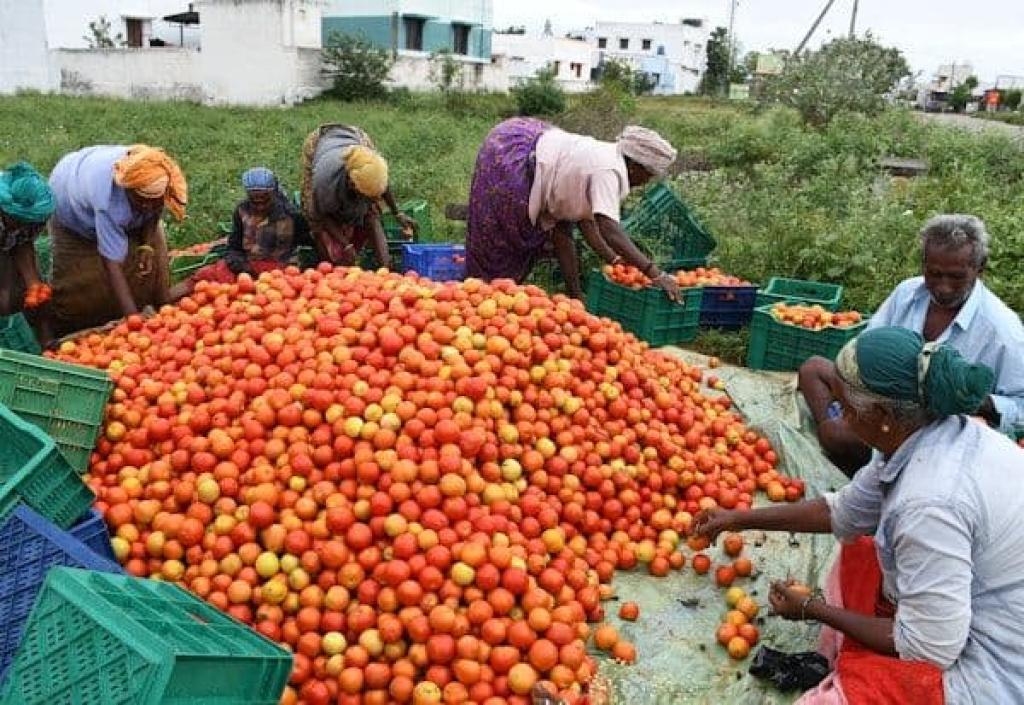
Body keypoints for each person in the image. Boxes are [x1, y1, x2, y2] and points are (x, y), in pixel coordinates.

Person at [696, 326, 1024, 705]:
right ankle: (841, 655)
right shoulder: (924, 434)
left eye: (847, 409)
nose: (841, 420)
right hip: (970, 597)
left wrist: (812, 609)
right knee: (861, 548)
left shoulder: (929, 502)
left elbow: (929, 649)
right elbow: (843, 513)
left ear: (883, 414)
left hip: (998, 665)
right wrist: (736, 519)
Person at [799, 214, 1024, 475]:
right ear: (924, 264)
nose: (944, 287)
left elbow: (1020, 405)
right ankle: (851, 442)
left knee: (836, 434)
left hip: (936, 426)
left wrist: (969, 397)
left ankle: (850, 448)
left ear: (980, 268)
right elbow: (866, 346)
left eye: (956, 277)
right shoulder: (908, 293)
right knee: (813, 368)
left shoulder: (1002, 330)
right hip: (882, 404)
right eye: (934, 273)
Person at [465, 119, 681, 301]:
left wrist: (578, 295)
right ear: (635, 166)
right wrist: (654, 273)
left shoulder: (606, 161)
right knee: (498, 245)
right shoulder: (608, 170)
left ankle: (493, 301)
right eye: (648, 174)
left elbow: (577, 225)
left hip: (527, 142)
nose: (647, 182)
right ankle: (476, 301)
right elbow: (609, 230)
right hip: (510, 157)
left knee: (518, 258)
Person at [47, 144, 186, 337]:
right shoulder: (108, 201)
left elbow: (153, 211)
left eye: (153, 200)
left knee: (154, 261)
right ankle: (62, 332)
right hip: (70, 200)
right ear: (126, 190)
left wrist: (146, 244)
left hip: (92, 170)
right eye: (140, 200)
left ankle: (163, 308)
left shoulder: (155, 175)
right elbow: (111, 263)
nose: (147, 206)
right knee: (80, 291)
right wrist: (133, 322)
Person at [300, 124, 417, 268]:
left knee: (371, 211)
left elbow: (382, 186)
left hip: (354, 137)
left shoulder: (373, 167)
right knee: (314, 218)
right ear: (351, 184)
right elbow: (322, 216)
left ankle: (386, 268)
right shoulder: (324, 181)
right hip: (320, 142)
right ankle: (329, 272)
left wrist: (397, 213)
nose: (371, 199)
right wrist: (346, 244)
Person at [183, 167, 309, 288]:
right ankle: (164, 299)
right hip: (247, 265)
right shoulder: (242, 211)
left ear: (274, 193)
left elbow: (307, 246)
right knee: (204, 275)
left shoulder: (292, 216)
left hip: (279, 270)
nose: (260, 206)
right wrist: (240, 265)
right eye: (255, 202)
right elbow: (234, 246)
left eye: (265, 200)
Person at [0, 162, 55, 339]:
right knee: (5, 301)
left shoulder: (28, 218)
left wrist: (33, 283)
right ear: (10, 215)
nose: (34, 226)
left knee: (29, 298)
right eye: (27, 223)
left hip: (6, 237)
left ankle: (46, 344)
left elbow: (23, 242)